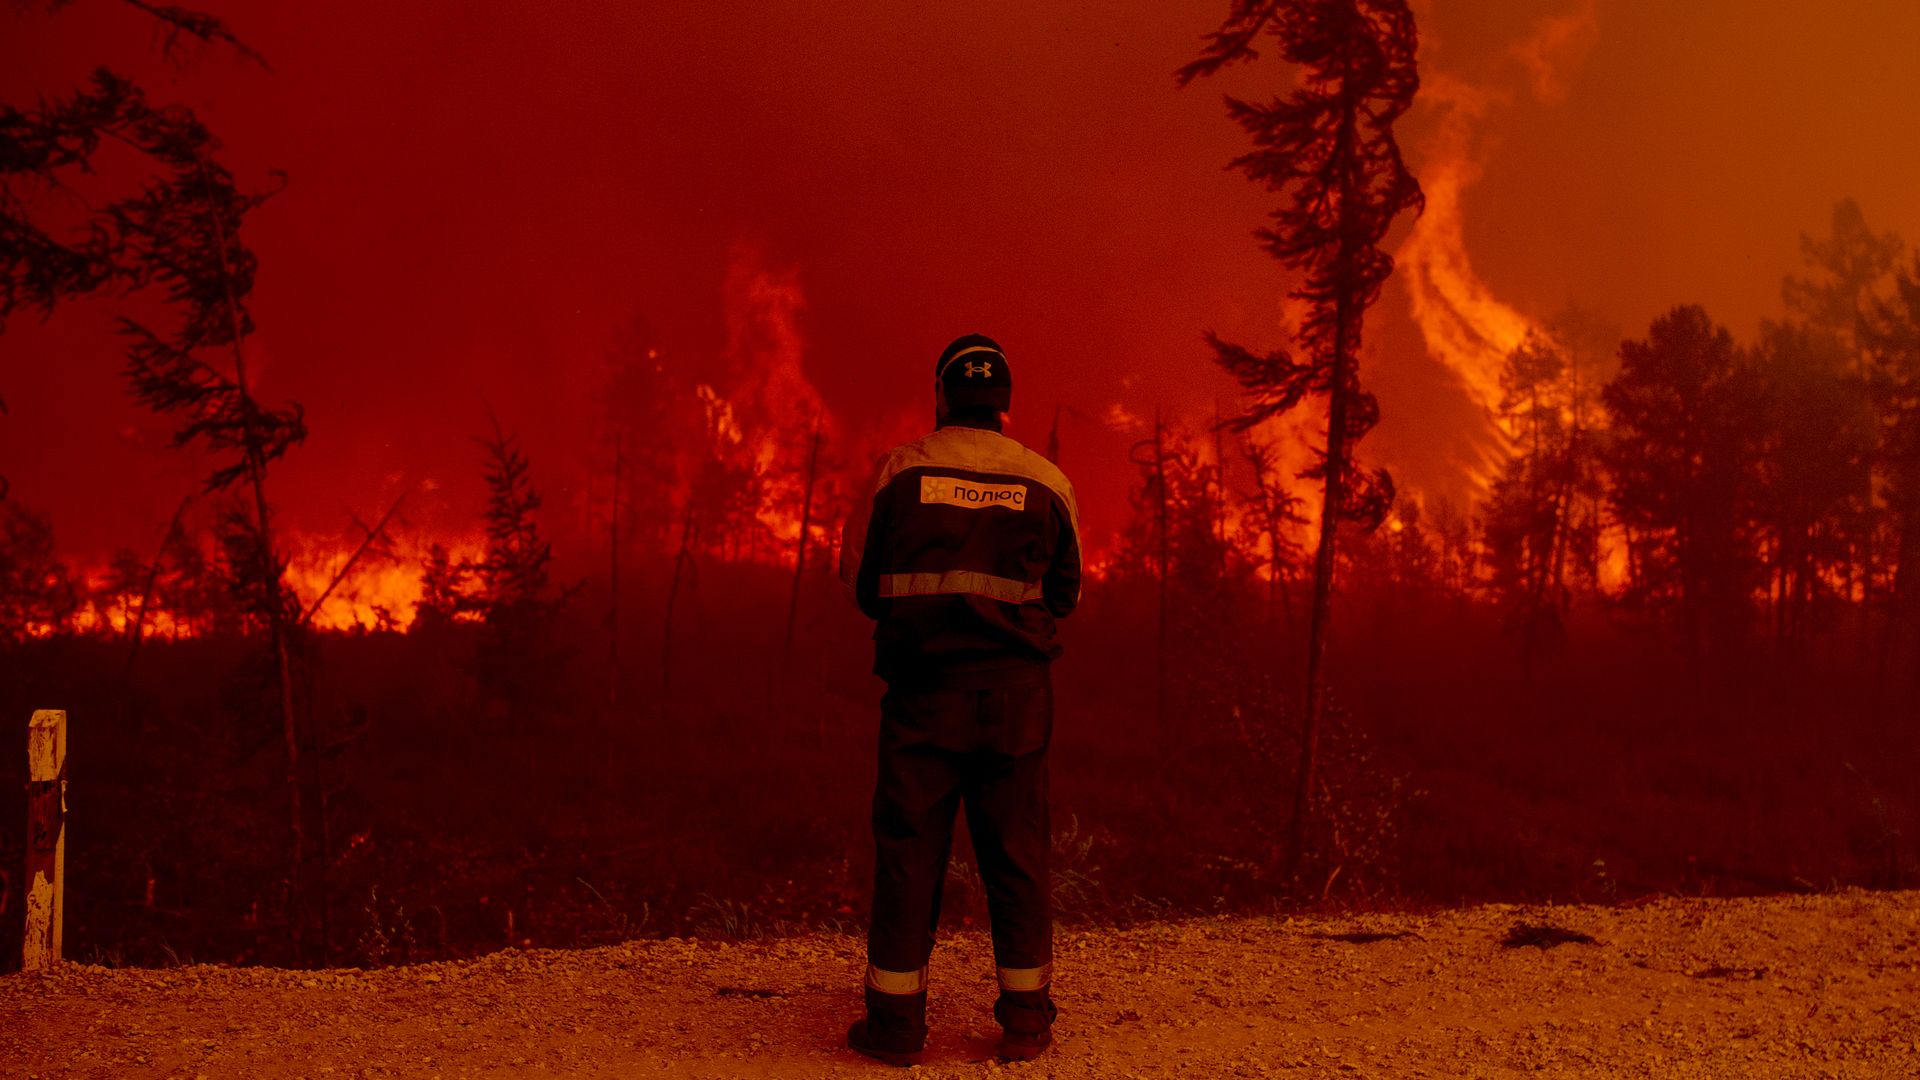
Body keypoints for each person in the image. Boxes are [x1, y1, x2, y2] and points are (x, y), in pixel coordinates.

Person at [837, 333, 1081, 1066]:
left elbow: (862, 586)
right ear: (1004, 404)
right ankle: (1026, 1022)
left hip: (924, 697)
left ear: (941, 395)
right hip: (1016, 701)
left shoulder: (899, 472)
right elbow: (1064, 595)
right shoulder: (1046, 481)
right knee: (1018, 854)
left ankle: (895, 1027)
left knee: (910, 853)